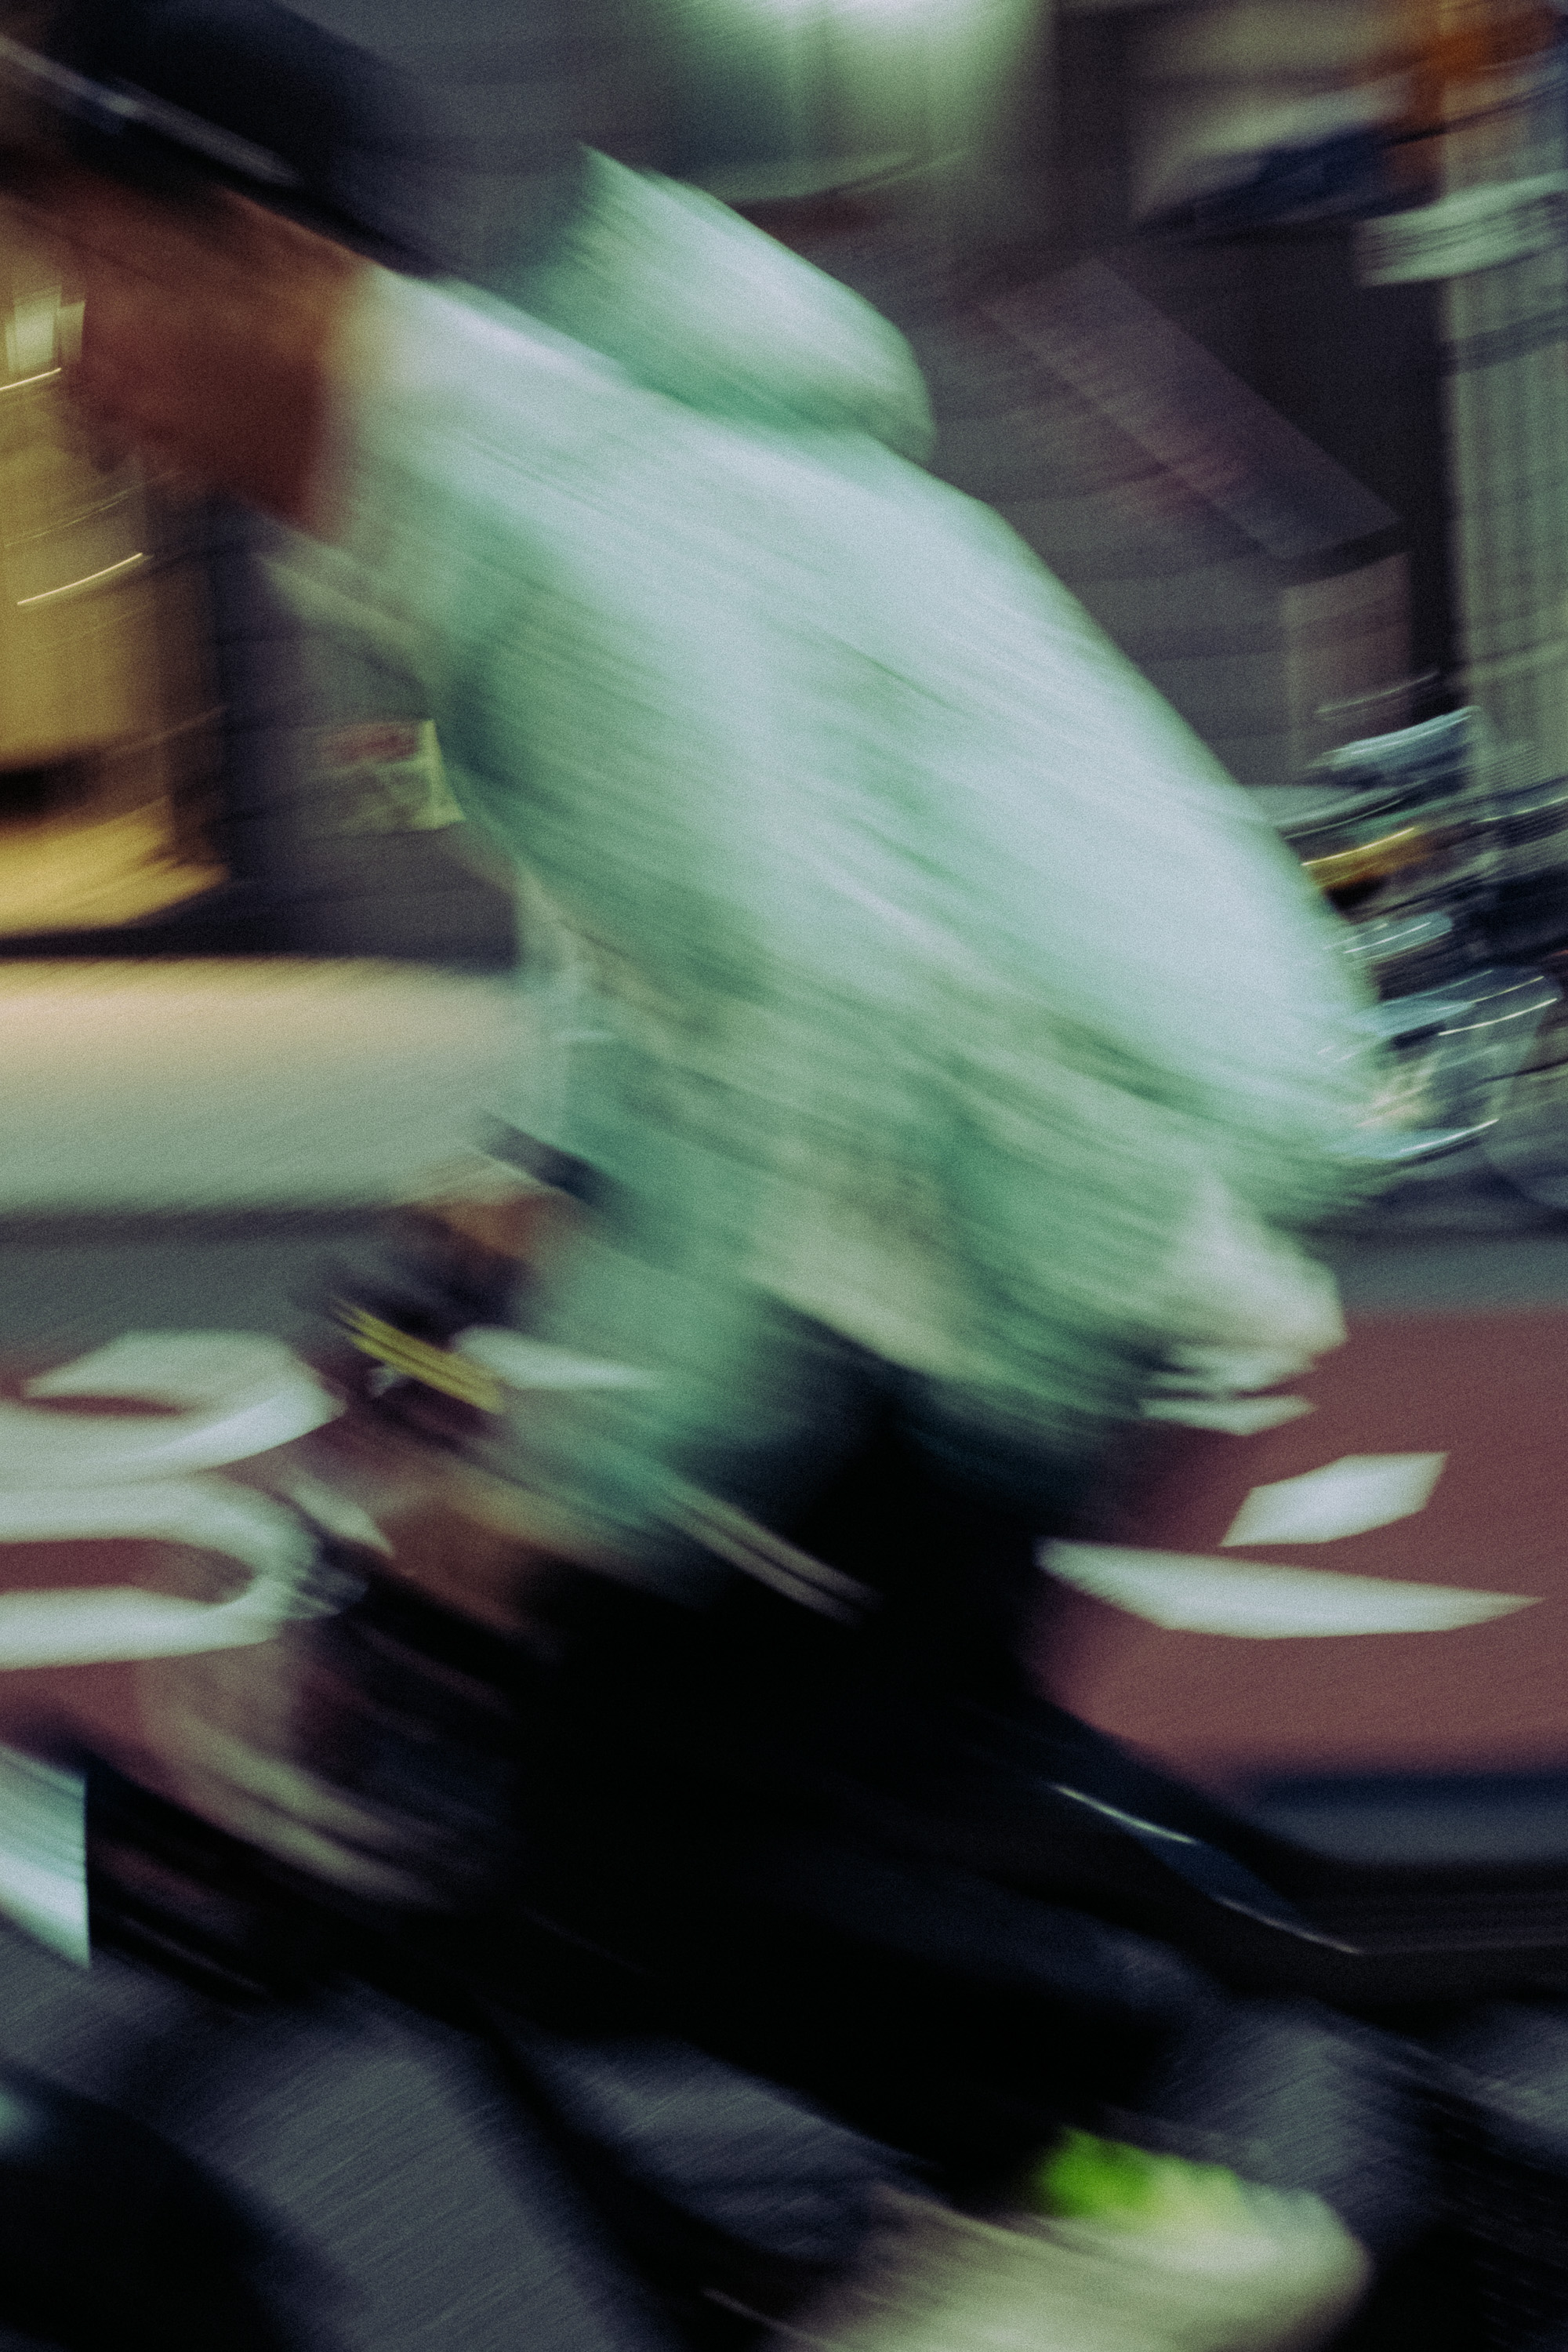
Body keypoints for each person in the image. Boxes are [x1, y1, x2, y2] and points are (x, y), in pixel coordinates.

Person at [0, 5, 1403, 2345]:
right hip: (967, 1136)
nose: (65, 368)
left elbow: (792, 1035)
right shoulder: (472, 492)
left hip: (1027, 1191)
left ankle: (1116, 2203)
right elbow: (685, 938)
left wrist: (576, 1486)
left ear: (256, 255)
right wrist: (515, 1199)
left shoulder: (546, 520)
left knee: (624, 1842)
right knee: (672, 1742)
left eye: (84, 280)